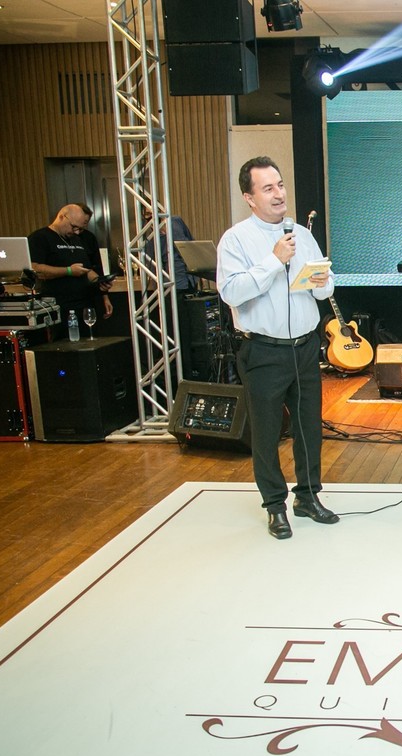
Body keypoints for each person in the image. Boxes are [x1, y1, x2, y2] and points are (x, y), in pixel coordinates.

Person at [217, 156, 338, 540]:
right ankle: (274, 506)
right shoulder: (236, 239)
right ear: (249, 197)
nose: (279, 194)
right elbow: (231, 291)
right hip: (263, 352)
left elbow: (325, 286)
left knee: (308, 429)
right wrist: (274, 261)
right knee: (267, 433)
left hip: (305, 347)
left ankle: (308, 497)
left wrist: (321, 281)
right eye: (268, 188)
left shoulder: (302, 234)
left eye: (281, 185)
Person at [28, 204, 113, 322]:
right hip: (57, 306)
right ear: (62, 217)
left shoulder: (77, 239)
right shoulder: (40, 238)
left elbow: (86, 269)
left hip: (84, 304)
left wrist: (100, 282)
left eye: (80, 229)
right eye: (74, 227)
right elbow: (35, 269)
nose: (76, 232)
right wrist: (68, 271)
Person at [144, 207, 198, 293]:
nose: (151, 215)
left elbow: (191, 243)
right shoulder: (149, 237)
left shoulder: (175, 222)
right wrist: (158, 289)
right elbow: (153, 266)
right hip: (172, 283)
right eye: (148, 214)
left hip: (191, 279)